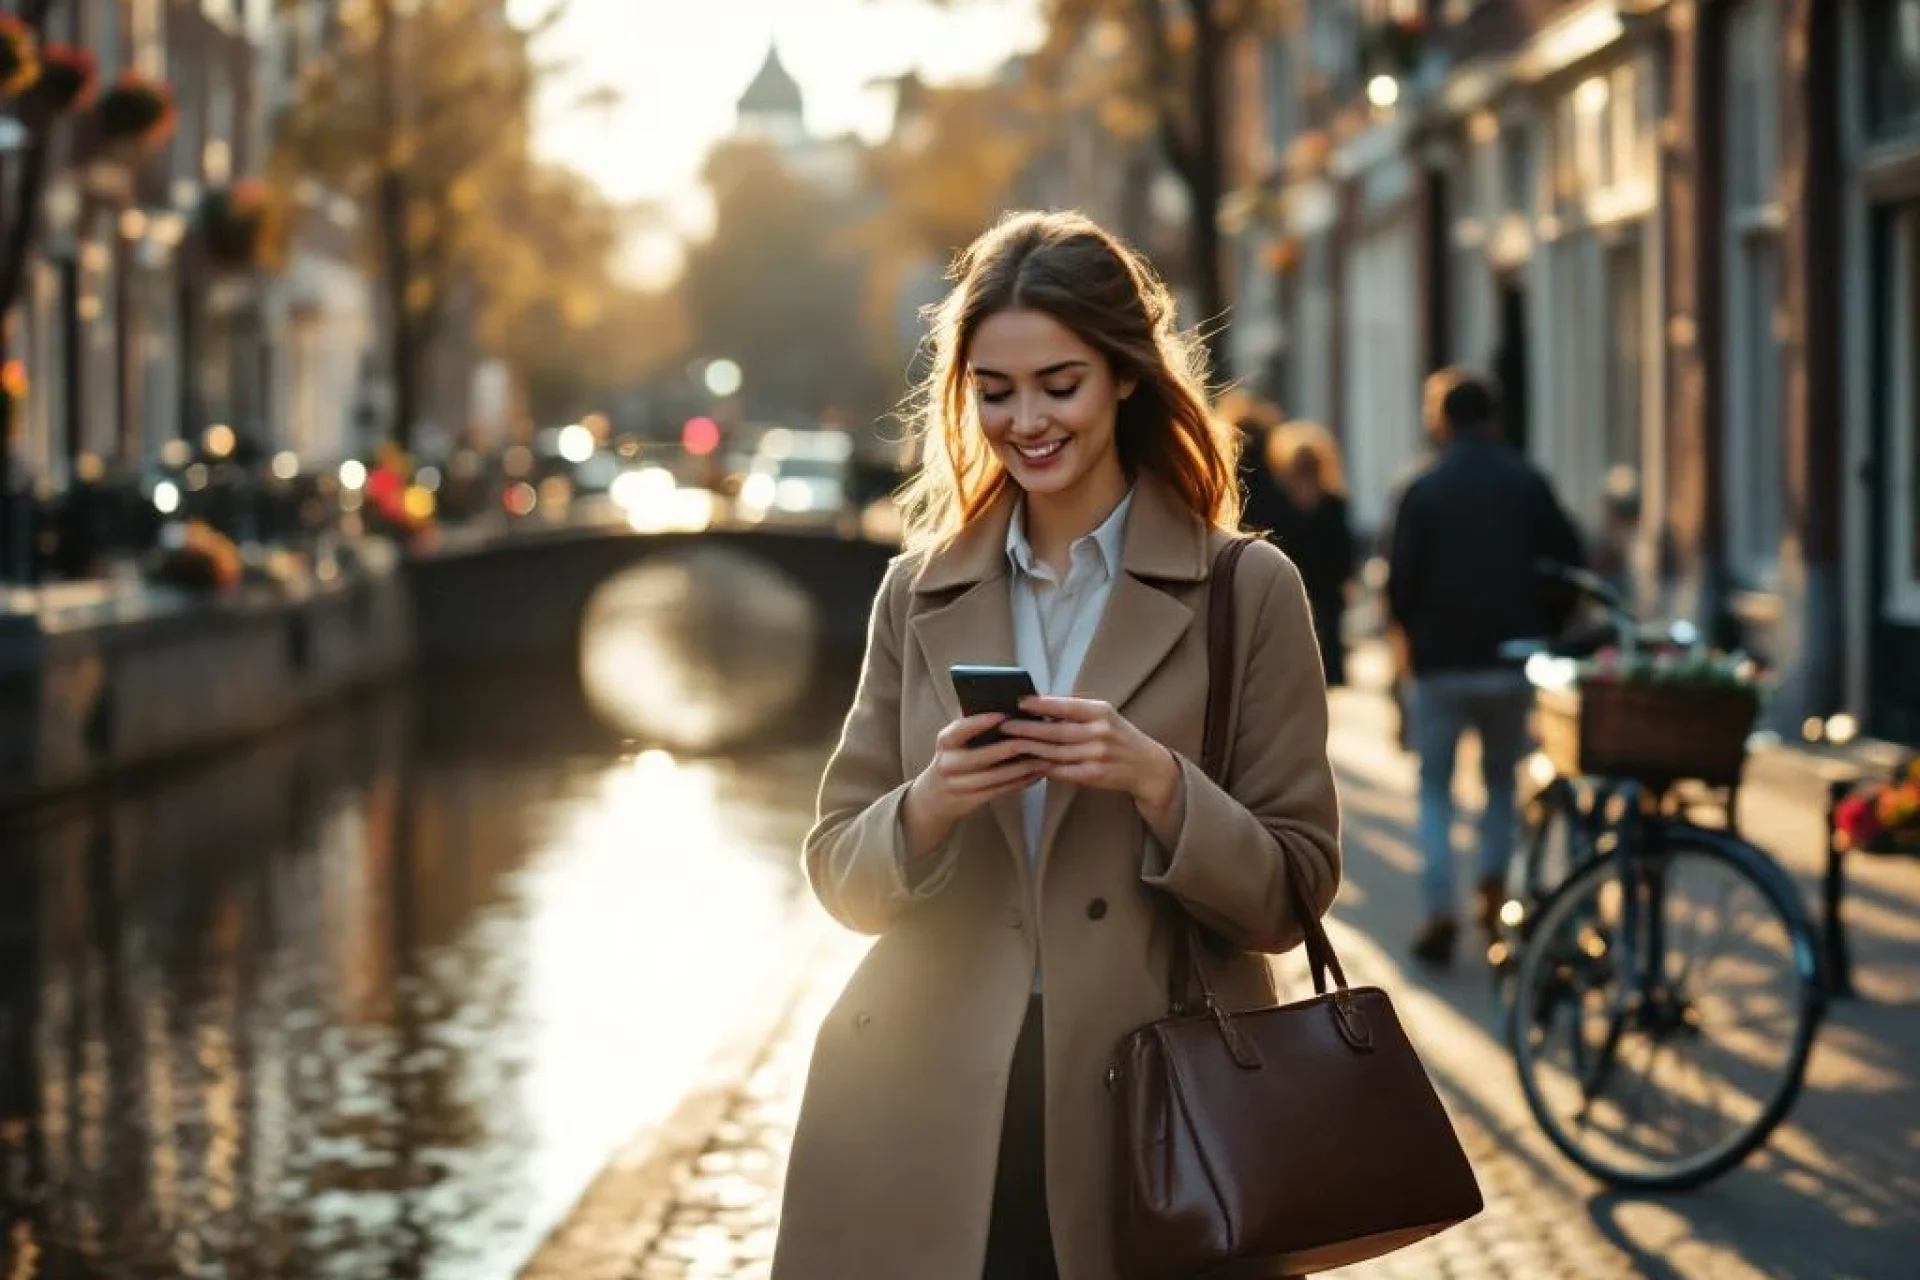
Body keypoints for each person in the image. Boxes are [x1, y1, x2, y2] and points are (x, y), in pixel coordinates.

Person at [772, 210, 1343, 1280]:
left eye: (1058, 383)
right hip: (926, 1113)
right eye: (995, 390)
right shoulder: (918, 591)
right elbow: (839, 870)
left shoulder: (1247, 593)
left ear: (1126, 376)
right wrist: (930, 801)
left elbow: (1293, 892)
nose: (1025, 419)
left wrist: (1161, 782)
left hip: (1161, 1115)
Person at [1386, 369, 1585, 969]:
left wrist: (1411, 652)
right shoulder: (1527, 483)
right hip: (1509, 662)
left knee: (1434, 791)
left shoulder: (1422, 489)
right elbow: (1567, 565)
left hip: (1441, 665)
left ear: (1440, 421)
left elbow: (1399, 587)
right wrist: (1542, 629)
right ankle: (1495, 883)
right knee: (1502, 784)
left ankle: (1439, 908)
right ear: (1494, 419)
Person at [1266, 420, 1354, 686]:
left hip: (1306, 583)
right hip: (1320, 584)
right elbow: (1343, 548)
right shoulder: (1332, 502)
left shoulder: (1280, 504)